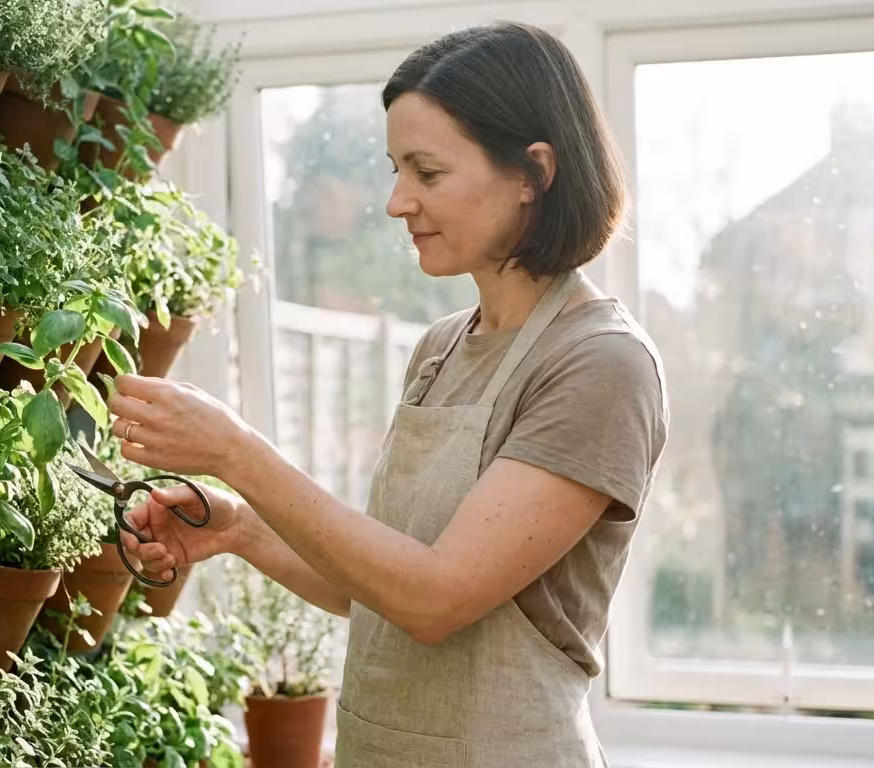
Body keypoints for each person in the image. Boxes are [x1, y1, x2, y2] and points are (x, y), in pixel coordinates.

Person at [106, 21, 668, 768]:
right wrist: (240, 529)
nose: (397, 201)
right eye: (395, 169)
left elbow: (434, 601)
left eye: (427, 172)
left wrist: (236, 453)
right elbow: (376, 592)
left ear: (534, 172)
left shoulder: (599, 366)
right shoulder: (441, 349)